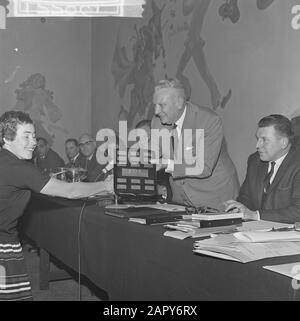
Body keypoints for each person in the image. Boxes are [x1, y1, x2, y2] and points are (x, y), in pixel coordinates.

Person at [0, 110, 113, 300]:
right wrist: (106, 185)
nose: (34, 142)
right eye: (26, 136)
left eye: (34, 136)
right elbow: (69, 191)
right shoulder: (20, 168)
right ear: (7, 139)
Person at [151, 79, 239, 210]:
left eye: (162, 105)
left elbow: (203, 167)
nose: (156, 111)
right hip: (180, 199)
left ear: (179, 103)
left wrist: (166, 164)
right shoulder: (157, 122)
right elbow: (151, 154)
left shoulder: (209, 121)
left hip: (216, 197)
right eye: (154, 105)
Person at [225, 114, 300, 224]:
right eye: (258, 139)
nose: (257, 145)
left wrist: (255, 215)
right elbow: (246, 198)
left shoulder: (297, 164)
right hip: (257, 231)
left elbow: (298, 212)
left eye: (264, 140)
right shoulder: (255, 161)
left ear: (283, 142)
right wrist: (238, 208)